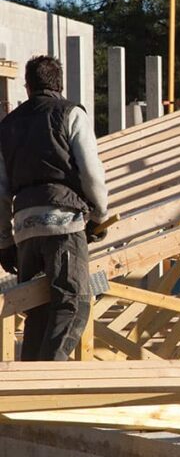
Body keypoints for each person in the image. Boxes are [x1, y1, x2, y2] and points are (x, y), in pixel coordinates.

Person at [0, 55, 108, 361]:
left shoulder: (8, 125)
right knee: (73, 303)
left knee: (38, 309)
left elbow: (1, 190)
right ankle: (47, 376)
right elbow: (91, 172)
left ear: (28, 85)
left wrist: (5, 241)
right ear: (59, 84)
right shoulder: (71, 113)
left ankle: (28, 382)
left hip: (25, 227)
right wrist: (99, 215)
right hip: (63, 223)